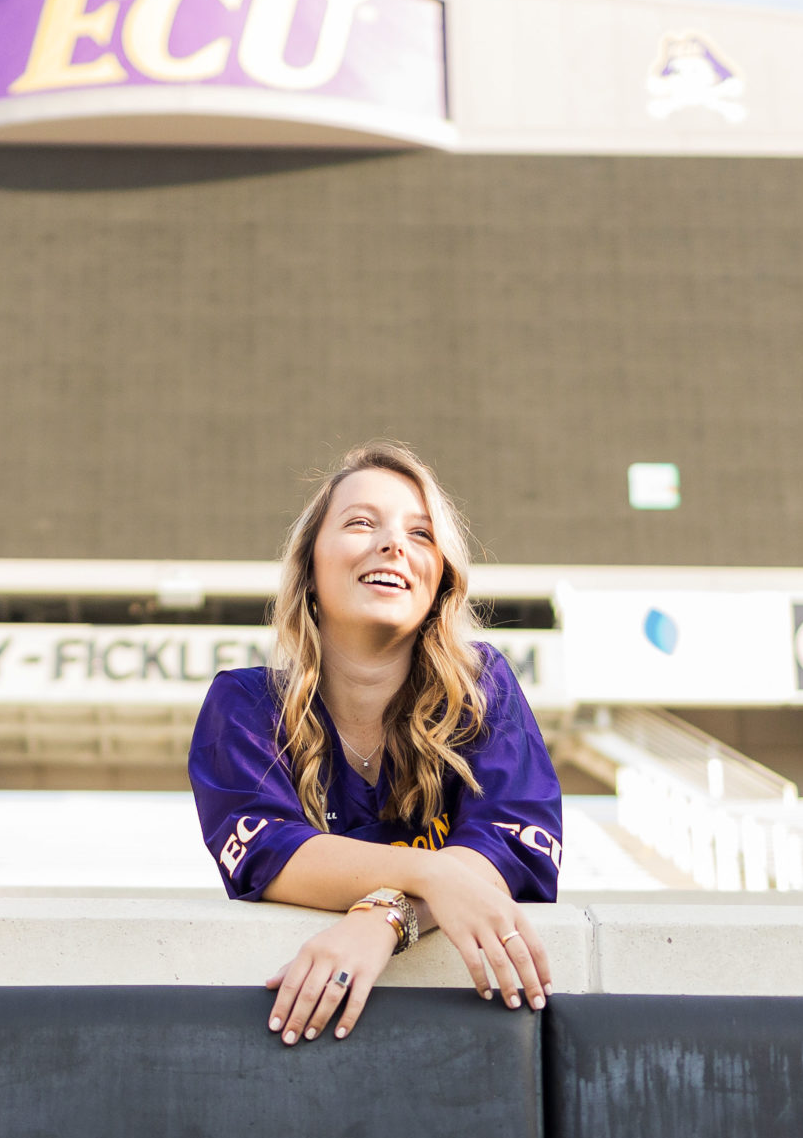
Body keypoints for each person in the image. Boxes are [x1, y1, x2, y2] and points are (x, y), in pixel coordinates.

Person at [189, 442, 563, 1046]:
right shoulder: (245, 706)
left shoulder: (481, 691)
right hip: (291, 1031)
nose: (393, 544)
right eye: (362, 522)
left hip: (466, 1033)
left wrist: (385, 918)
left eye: (421, 534)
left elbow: (508, 850)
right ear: (310, 565)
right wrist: (429, 876)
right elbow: (272, 854)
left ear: (439, 577)